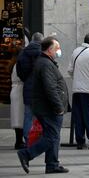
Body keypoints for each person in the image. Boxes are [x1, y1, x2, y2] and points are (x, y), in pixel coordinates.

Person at [17, 36, 70, 174]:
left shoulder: (45, 62)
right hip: (48, 108)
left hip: (46, 106)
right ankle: (26, 154)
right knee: (51, 136)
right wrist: (58, 107)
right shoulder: (45, 64)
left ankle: (52, 164)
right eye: (57, 48)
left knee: (53, 135)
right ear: (50, 49)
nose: (59, 51)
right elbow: (50, 88)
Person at [16, 32, 44, 144]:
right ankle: (39, 138)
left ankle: (28, 138)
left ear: (32, 40)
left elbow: (19, 71)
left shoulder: (23, 53)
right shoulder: (43, 52)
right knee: (41, 115)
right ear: (42, 40)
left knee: (28, 115)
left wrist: (26, 79)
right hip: (40, 88)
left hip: (28, 87)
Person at [10, 59, 25, 149]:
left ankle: (19, 140)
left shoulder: (15, 64)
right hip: (19, 90)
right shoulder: (19, 64)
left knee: (17, 117)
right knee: (19, 118)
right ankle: (19, 141)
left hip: (16, 90)